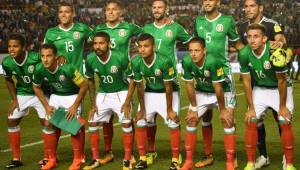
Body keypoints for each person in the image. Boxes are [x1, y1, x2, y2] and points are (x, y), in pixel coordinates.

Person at [193, 0, 243, 168]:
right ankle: (208, 155)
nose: (207, 2)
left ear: (218, 2)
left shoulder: (227, 21)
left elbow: (238, 44)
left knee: (227, 118)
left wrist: (253, 54)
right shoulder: (198, 21)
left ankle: (232, 158)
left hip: (223, 74)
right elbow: (194, 43)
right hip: (204, 75)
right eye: (204, 0)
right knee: (205, 117)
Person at [91, 1, 143, 164]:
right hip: (107, 75)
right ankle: (108, 151)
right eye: (108, 10)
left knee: (126, 116)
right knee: (106, 118)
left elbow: (148, 34)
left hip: (125, 75)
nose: (111, 12)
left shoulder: (129, 27)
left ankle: (131, 153)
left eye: (114, 9)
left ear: (120, 12)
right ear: (105, 12)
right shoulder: (98, 30)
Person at [239, 24, 296, 170]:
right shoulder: (244, 53)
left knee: (284, 120)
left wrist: (282, 107)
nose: (252, 40)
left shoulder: (275, 52)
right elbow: (246, 81)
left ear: (264, 39)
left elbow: (282, 81)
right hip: (260, 89)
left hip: (280, 89)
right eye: (249, 36)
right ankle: (251, 162)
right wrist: (250, 108)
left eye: (256, 36)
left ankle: (289, 163)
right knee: (251, 120)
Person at [43, 1, 92, 165]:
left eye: (67, 12)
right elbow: (44, 52)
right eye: (61, 12)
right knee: (53, 121)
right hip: (57, 82)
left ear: (73, 14)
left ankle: (80, 156)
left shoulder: (83, 29)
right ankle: (51, 157)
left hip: (75, 83)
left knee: (74, 122)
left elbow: (100, 40)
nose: (64, 15)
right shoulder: (51, 33)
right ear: (58, 15)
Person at [143, 0, 191, 164]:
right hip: (150, 83)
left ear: (166, 9)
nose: (156, 10)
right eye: (154, 7)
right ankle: (151, 152)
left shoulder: (175, 27)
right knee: (148, 120)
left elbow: (191, 41)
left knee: (173, 120)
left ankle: (176, 156)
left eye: (160, 7)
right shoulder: (147, 28)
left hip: (169, 82)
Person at [127, 33, 181, 170]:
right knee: (140, 120)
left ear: (153, 47)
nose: (142, 49)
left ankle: (175, 158)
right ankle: (143, 158)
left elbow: (168, 88)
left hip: (169, 92)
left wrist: (169, 110)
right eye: (140, 46)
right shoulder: (136, 61)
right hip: (150, 91)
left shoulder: (164, 61)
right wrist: (143, 110)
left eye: (146, 46)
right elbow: (139, 87)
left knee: (173, 121)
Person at [82, 32, 134, 170]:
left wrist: (128, 101)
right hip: (103, 93)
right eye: (95, 43)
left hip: (121, 93)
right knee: (92, 122)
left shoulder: (120, 57)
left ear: (109, 44)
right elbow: (90, 81)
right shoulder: (90, 58)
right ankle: (95, 159)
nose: (97, 46)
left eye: (101, 43)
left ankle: (128, 159)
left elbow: (133, 79)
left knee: (126, 123)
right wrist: (93, 104)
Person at [32, 44, 89, 170]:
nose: (45, 59)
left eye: (49, 56)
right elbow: (36, 87)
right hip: (56, 96)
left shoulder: (68, 68)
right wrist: (46, 106)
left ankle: (77, 159)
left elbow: (84, 85)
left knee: (72, 125)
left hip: (72, 95)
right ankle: (52, 159)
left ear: (56, 57)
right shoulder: (39, 68)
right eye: (42, 56)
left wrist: (75, 106)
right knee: (48, 124)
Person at [2, 34, 47, 169]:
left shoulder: (36, 57)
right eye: (9, 46)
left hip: (40, 93)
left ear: (24, 47)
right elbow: (9, 80)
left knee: (46, 123)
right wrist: (15, 100)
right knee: (11, 120)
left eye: (15, 46)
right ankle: (16, 159)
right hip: (23, 93)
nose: (11, 49)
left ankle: (48, 157)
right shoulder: (7, 62)